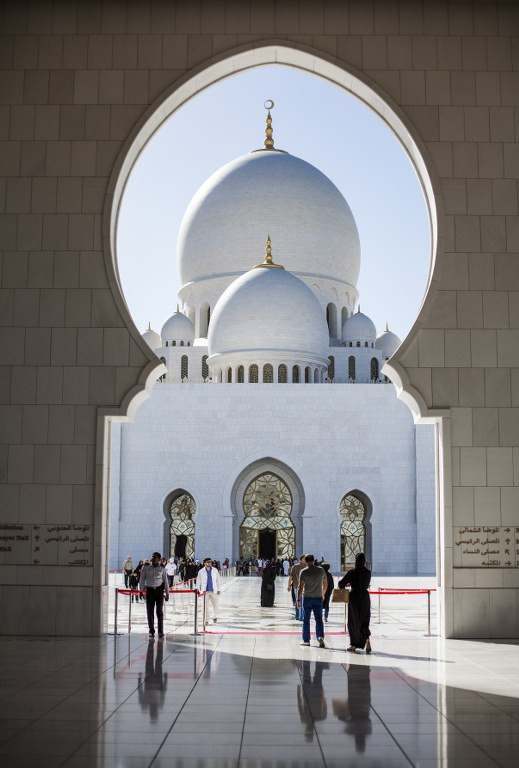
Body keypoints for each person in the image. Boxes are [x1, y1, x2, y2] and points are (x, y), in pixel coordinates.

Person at [338, 552, 372, 653]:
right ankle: (367, 640)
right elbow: (364, 584)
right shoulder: (368, 572)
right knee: (364, 620)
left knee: (353, 622)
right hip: (365, 598)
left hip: (354, 598)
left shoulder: (352, 572)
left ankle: (353, 645)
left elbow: (340, 584)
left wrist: (348, 584)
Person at [297, 553, 327, 648]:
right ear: (313, 560)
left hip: (307, 598)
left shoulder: (303, 572)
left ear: (305, 561)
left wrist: (298, 599)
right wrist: (323, 594)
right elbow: (325, 584)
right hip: (318, 598)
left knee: (306, 620)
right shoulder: (321, 570)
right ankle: (320, 637)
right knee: (319, 619)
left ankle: (306, 640)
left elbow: (300, 587)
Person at [139, 551, 169, 639]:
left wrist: (167, 593)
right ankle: (151, 631)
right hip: (150, 592)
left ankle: (160, 631)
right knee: (150, 612)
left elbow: (166, 581)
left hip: (159, 591)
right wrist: (141, 591)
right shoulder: (146, 568)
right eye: (152, 557)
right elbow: (142, 579)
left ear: (159, 559)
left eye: (154, 557)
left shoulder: (162, 569)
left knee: (159, 612)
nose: (152, 558)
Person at [196, 557, 221, 623]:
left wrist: (219, 589)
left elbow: (218, 580)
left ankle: (214, 616)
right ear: (204, 563)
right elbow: (198, 581)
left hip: (214, 591)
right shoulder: (201, 571)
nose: (209, 563)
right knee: (205, 606)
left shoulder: (215, 570)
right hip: (205, 591)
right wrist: (198, 589)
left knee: (215, 605)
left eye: (210, 562)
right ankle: (206, 619)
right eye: (208, 562)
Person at [287, 555, 305, 619]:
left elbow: (290, 577)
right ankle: (301, 616)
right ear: (302, 559)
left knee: (297, 600)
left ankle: (297, 615)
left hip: (295, 586)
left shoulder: (294, 566)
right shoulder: (306, 567)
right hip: (303, 587)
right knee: (302, 601)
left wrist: (289, 585)